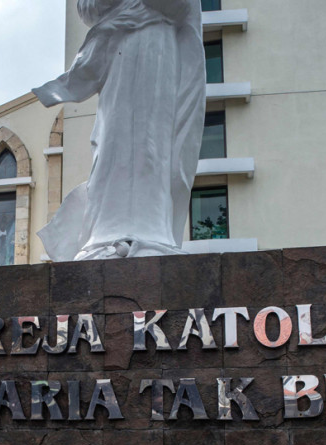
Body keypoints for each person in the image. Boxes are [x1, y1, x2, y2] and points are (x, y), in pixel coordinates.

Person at [33, 0, 206, 261]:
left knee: (152, 146)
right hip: (118, 50)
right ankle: (104, 234)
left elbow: (181, 6)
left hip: (157, 46)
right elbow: (87, 8)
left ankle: (152, 232)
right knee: (112, 146)